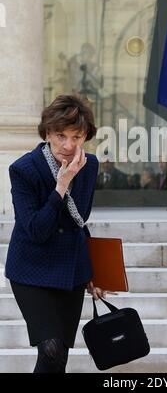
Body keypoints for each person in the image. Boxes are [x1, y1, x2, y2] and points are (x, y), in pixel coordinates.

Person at [5, 94, 115, 373]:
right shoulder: (23, 170)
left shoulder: (89, 166)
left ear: (85, 137)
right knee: (51, 348)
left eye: (76, 137)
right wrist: (61, 186)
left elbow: (79, 221)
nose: (68, 146)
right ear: (47, 134)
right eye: (60, 136)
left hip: (71, 270)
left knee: (59, 357)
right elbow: (35, 229)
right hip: (31, 269)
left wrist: (95, 272)